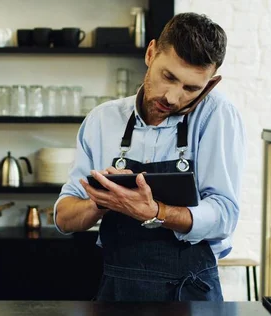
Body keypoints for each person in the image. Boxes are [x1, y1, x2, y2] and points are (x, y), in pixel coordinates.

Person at [54, 12, 246, 302]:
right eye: (168, 76)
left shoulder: (216, 115)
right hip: (117, 290)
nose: (172, 97)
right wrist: (103, 200)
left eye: (191, 88)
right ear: (150, 52)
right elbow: (64, 217)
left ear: (210, 83)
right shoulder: (102, 120)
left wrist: (156, 212)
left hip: (189, 293)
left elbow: (224, 215)